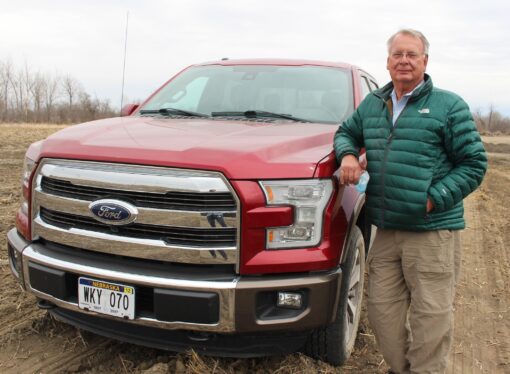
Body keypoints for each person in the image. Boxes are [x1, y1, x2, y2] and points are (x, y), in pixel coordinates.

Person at [333, 29, 487, 373]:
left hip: (431, 231)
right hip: (386, 230)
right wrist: (347, 155)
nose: (404, 60)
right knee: (382, 312)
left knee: (430, 315)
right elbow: (346, 132)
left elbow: (475, 163)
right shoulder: (373, 103)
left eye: (412, 55)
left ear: (425, 62)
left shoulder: (448, 105)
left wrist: (432, 200)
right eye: (398, 54)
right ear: (387, 62)